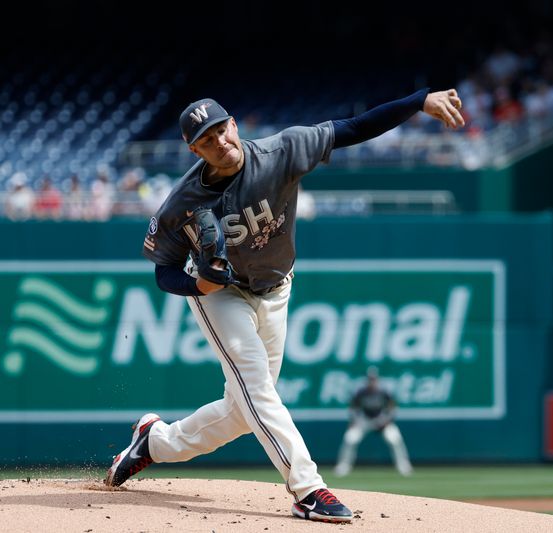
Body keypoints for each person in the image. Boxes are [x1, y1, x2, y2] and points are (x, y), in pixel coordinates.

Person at [103, 86, 464, 523]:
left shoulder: (283, 150)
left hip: (277, 287)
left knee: (243, 411)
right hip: (223, 297)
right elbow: (164, 271)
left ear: (234, 124)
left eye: (222, 129)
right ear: (192, 148)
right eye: (207, 139)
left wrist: (419, 101)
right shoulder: (181, 204)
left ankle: (153, 442)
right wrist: (199, 286)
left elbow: (353, 128)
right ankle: (308, 489)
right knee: (256, 388)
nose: (220, 142)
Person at [334, 367, 413, 477]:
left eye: (373, 379)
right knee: (350, 438)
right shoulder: (361, 392)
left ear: (377, 380)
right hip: (365, 420)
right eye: (370, 379)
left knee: (394, 438)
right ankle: (344, 465)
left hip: (381, 419)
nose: (371, 381)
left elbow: (392, 408)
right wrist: (355, 421)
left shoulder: (384, 392)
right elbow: (353, 409)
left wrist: (386, 420)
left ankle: (403, 465)